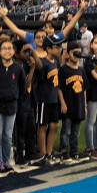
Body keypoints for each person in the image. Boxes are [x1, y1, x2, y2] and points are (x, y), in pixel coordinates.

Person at [0, 37, 23, 172]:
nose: (7, 51)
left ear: (13, 51)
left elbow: (22, 86)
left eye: (9, 48)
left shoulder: (18, 68)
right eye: (4, 48)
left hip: (11, 106)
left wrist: (15, 98)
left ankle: (7, 160)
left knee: (7, 135)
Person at [32, 34, 63, 166]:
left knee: (54, 126)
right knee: (43, 126)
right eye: (57, 47)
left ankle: (49, 153)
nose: (60, 49)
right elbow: (36, 82)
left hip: (53, 100)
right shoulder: (43, 63)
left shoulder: (56, 62)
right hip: (43, 100)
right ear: (48, 49)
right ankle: (43, 153)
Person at [57, 41, 88, 163]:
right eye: (74, 52)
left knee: (76, 131)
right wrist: (63, 103)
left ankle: (74, 151)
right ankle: (64, 151)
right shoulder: (63, 69)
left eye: (79, 53)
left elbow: (84, 89)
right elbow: (59, 88)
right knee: (66, 130)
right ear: (68, 53)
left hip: (79, 105)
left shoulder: (81, 70)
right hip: (68, 105)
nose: (76, 55)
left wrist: (85, 104)